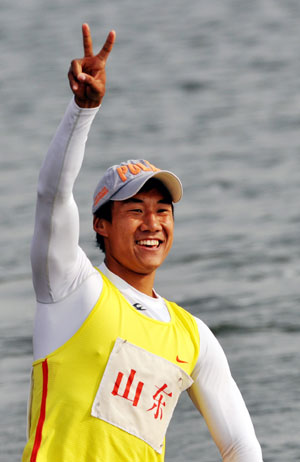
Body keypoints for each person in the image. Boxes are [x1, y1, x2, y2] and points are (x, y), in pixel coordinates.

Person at [22, 23, 263, 462]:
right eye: (135, 211)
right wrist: (83, 110)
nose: (152, 223)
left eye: (162, 210)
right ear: (101, 225)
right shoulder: (70, 288)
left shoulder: (194, 338)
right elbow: (51, 195)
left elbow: (240, 445)